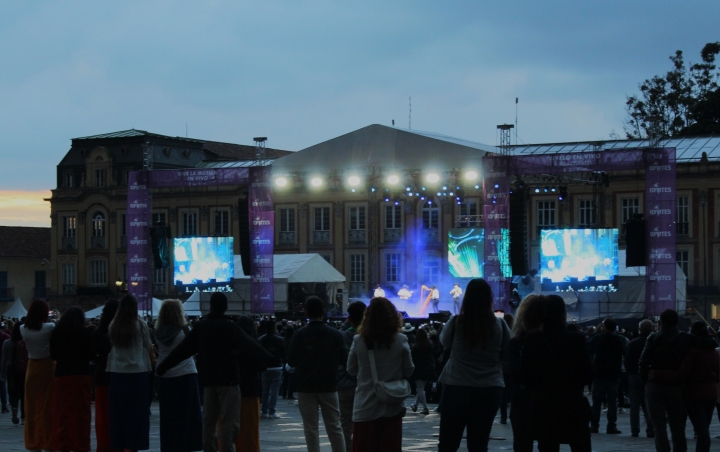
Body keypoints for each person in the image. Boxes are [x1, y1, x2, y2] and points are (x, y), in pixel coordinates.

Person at [157, 292, 269, 452]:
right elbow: (249, 345)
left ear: (210, 306)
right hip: (230, 381)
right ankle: (226, 449)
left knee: (209, 423)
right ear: (226, 308)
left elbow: (183, 350)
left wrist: (163, 366)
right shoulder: (230, 326)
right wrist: (270, 358)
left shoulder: (201, 326)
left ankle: (210, 448)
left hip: (209, 381)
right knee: (229, 423)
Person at [437, 279, 511, 452]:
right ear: (489, 298)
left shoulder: (456, 322)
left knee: (448, 442)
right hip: (489, 387)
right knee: (479, 443)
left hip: (457, 386)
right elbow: (507, 352)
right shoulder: (500, 325)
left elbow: (444, 342)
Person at [519, 294, 593, 452]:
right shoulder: (577, 340)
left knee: (547, 446)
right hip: (572, 404)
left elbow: (524, 376)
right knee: (580, 445)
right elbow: (587, 375)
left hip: (543, 406)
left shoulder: (533, 340)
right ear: (563, 314)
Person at [640, 309, 717, 452]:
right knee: (677, 425)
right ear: (677, 321)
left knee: (659, 426)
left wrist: (646, 381)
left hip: (654, 384)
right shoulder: (684, 337)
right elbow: (708, 343)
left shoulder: (653, 337)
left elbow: (643, 362)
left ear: (661, 322)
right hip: (675, 385)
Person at [347, 297, 414, 451]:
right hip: (391, 405)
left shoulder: (359, 340)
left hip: (365, 405)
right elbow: (409, 370)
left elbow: (351, 369)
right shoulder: (401, 339)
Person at [286, 296, 348, 452]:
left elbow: (291, 360)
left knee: (311, 429)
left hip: (306, 386)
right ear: (324, 312)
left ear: (306, 312)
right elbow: (344, 360)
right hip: (329, 385)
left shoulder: (300, 334)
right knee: (334, 426)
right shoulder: (335, 334)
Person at [107, 294, 155, 451]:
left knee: (118, 415)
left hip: (117, 372)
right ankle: (134, 446)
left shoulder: (113, 325)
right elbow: (148, 347)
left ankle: (118, 445)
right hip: (137, 373)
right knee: (136, 416)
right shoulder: (140, 325)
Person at [154, 299, 202, 452]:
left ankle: (169, 446)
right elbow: (194, 348)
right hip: (185, 373)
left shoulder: (157, 331)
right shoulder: (185, 329)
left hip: (165, 375)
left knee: (168, 416)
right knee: (188, 415)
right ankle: (188, 445)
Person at [49, 306, 94, 452]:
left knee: (62, 413)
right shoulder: (85, 333)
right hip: (82, 375)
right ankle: (80, 444)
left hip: (62, 375)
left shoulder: (56, 333)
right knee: (81, 414)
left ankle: (63, 444)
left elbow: (53, 355)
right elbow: (91, 355)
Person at [507, 294, 546, 452]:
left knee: (522, 444)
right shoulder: (557, 342)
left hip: (523, 401)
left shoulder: (516, 343)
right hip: (549, 401)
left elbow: (515, 375)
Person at [20, 298, 55, 451]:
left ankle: (33, 441)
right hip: (48, 367)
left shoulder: (23, 328)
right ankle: (48, 440)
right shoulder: (50, 327)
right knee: (47, 407)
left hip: (32, 368)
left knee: (32, 407)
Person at [233, 315, 270, 452]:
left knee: (232, 425)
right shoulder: (254, 344)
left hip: (233, 387)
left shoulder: (232, 344)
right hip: (251, 388)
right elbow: (263, 365)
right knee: (251, 427)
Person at [683, 321, 719, 452]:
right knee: (704, 426)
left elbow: (685, 371)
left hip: (693, 392)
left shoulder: (690, 351)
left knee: (701, 429)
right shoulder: (713, 351)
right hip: (710, 391)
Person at [336, 301, 366, 451]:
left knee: (345, 423)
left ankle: (349, 448)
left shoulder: (342, 335)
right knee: (365, 422)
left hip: (344, 384)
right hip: (364, 385)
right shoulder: (368, 337)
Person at [588, 317, 625, 434]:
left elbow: (589, 348)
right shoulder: (620, 339)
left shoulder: (597, 339)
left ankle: (594, 425)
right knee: (612, 402)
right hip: (614, 374)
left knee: (597, 402)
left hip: (599, 373)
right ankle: (611, 425)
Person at [92, 299, 119, 452]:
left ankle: (103, 444)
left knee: (102, 415)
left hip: (101, 375)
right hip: (118, 373)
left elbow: (93, 355)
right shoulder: (120, 332)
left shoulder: (98, 332)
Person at [624, 319, 655, 438]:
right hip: (649, 376)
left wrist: (631, 371)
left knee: (634, 405)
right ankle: (650, 429)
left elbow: (627, 360)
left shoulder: (633, 343)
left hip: (634, 375)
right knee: (649, 404)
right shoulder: (654, 342)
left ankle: (635, 430)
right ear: (651, 329)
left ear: (640, 329)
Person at [258, 319, 286, 419]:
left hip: (265, 368)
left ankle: (264, 411)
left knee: (265, 391)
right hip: (277, 366)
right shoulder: (280, 339)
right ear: (274, 327)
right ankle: (272, 411)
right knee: (274, 391)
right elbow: (284, 354)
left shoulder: (261, 339)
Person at [1, 321, 26, 425]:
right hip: (24, 369)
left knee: (13, 391)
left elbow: (4, 359)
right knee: (24, 392)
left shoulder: (7, 342)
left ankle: (14, 411)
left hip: (11, 369)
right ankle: (24, 417)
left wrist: (2, 372)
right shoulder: (26, 342)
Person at [410, 327, 436, 415]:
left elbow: (413, 359)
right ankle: (415, 405)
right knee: (421, 389)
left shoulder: (416, 347)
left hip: (418, 369)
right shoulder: (429, 345)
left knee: (420, 389)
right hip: (428, 369)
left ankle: (425, 408)